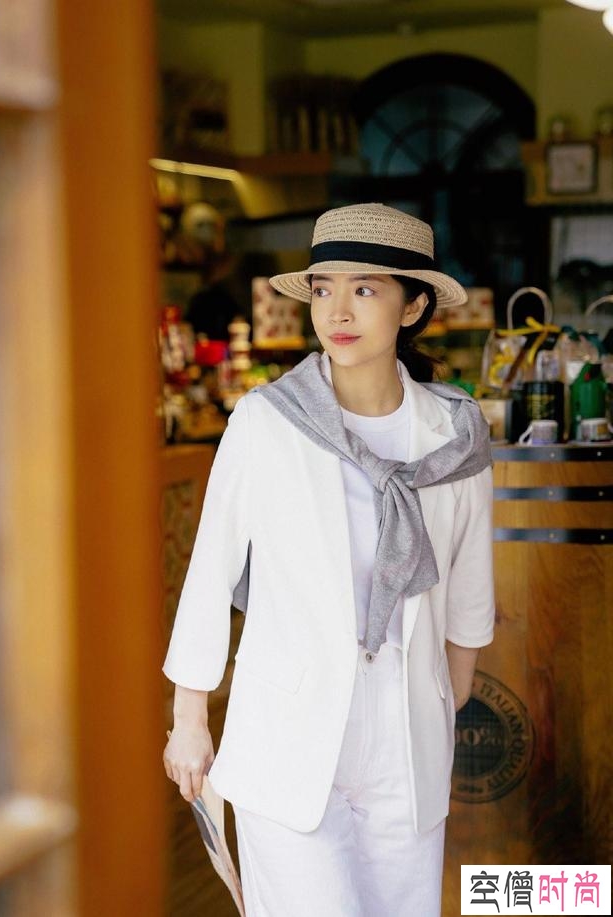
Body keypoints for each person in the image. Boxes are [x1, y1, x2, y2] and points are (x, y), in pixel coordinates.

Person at [162, 202, 495, 917]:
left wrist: (442, 694)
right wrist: (190, 718)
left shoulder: (454, 432)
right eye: (322, 288)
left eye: (365, 289)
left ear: (413, 306)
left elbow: (470, 579)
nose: (337, 310)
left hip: (406, 739)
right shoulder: (267, 422)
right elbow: (209, 572)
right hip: (288, 730)